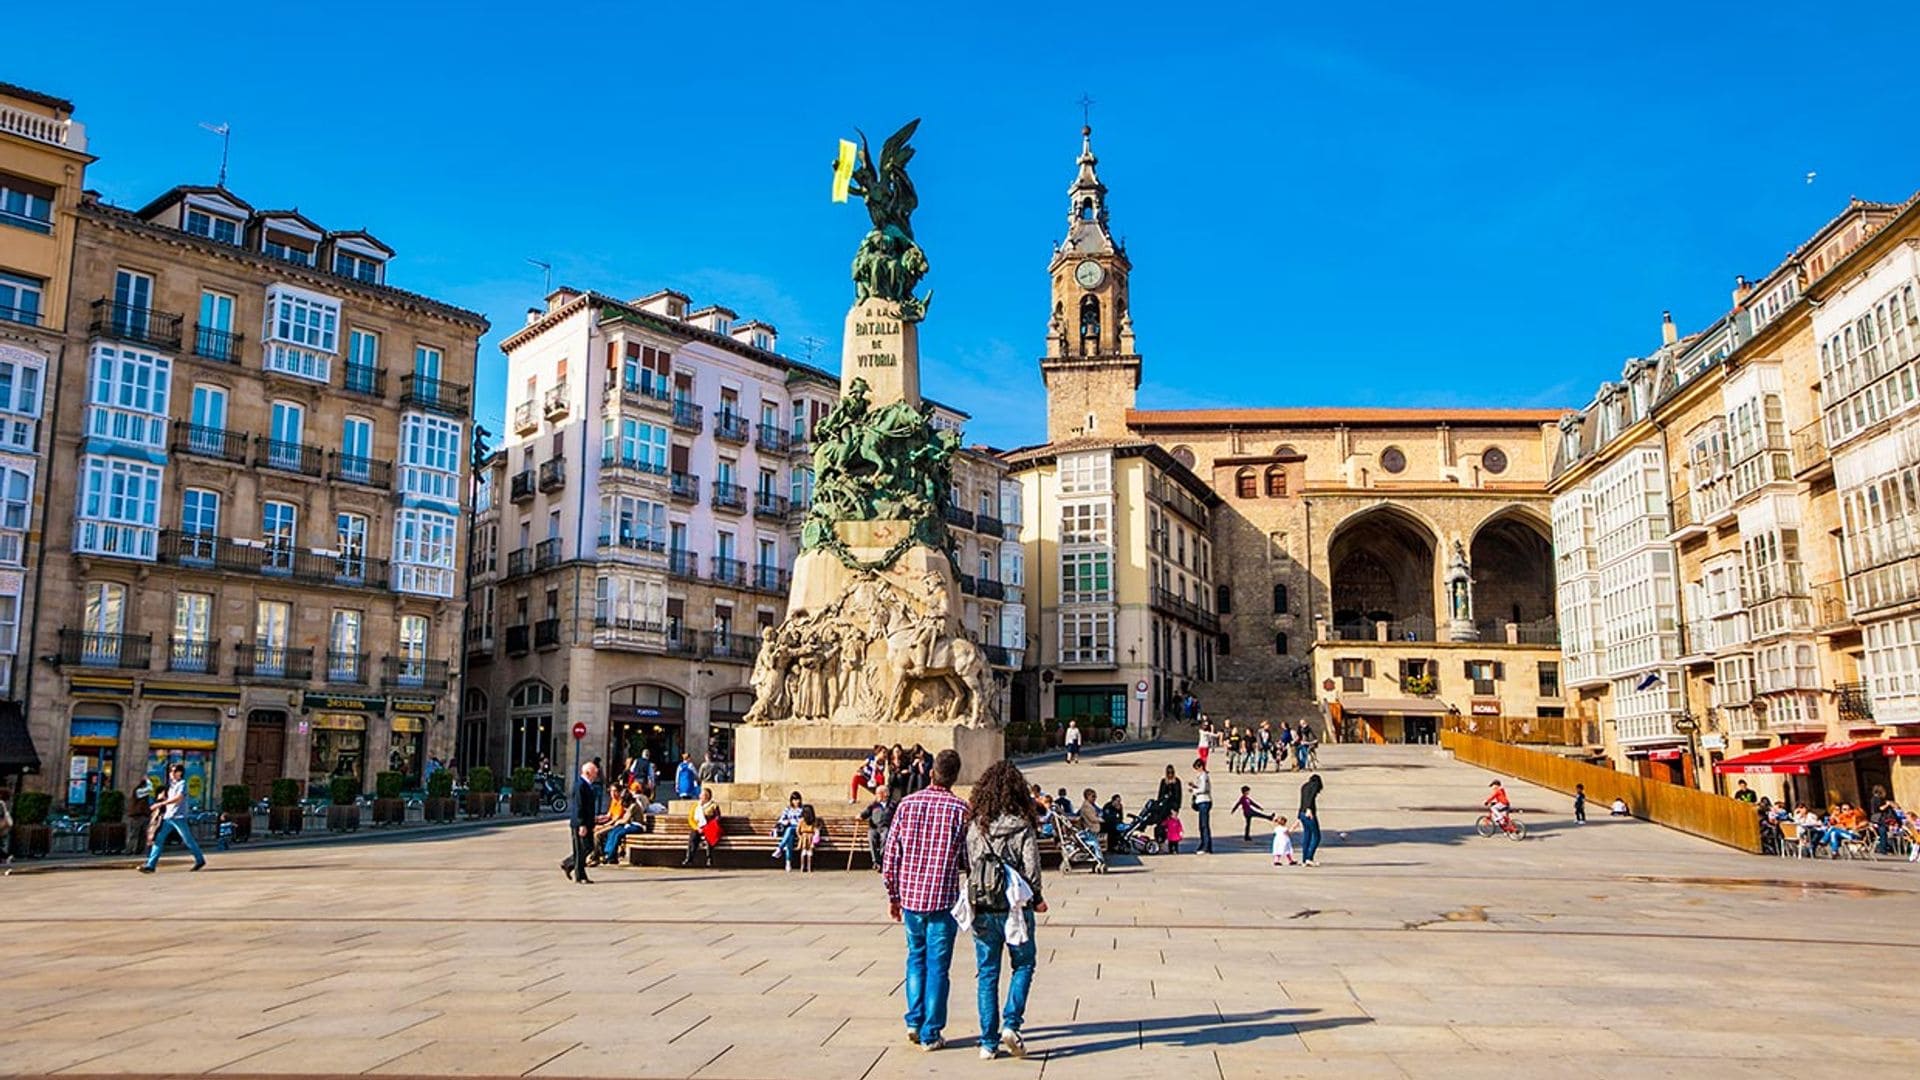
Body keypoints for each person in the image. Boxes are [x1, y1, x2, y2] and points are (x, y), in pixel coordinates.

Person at [884, 748, 969, 1052]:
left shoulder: (907, 805)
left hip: (911, 898)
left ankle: (913, 1020)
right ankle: (931, 1032)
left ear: (931, 773)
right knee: (938, 967)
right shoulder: (961, 810)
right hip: (943, 899)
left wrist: (893, 895)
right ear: (955, 777)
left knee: (915, 958)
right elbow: (967, 858)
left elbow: (891, 854)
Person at [965, 760, 1046, 1060]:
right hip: (1014, 907)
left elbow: (971, 863)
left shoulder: (976, 826)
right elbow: (1032, 868)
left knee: (987, 974)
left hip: (983, 907)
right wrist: (1036, 897)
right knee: (1023, 964)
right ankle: (1011, 1023)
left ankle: (987, 1042)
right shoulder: (1022, 825)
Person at [139, 761, 206, 874]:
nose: (172, 773)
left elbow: (178, 798)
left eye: (175, 771)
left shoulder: (182, 784)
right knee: (158, 840)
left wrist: (161, 804)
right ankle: (151, 865)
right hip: (168, 816)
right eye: (171, 771)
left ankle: (200, 860)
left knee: (188, 840)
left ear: (180, 773)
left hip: (178, 817)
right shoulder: (171, 785)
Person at [563, 760, 602, 884]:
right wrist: (581, 824)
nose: (596, 775)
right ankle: (580, 876)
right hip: (580, 823)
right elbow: (579, 806)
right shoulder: (580, 785)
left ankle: (569, 863)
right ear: (588, 773)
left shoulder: (588, 785)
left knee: (588, 847)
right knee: (581, 849)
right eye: (595, 773)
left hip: (587, 822)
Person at [682, 787, 721, 867]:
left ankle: (709, 858)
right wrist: (697, 828)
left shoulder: (713, 805)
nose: (700, 796)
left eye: (702, 795)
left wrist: (710, 825)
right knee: (693, 837)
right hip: (698, 827)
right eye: (701, 794)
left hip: (709, 827)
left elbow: (718, 817)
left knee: (709, 837)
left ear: (707, 796)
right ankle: (689, 858)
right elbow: (691, 819)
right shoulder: (696, 806)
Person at [772, 791, 806, 870]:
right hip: (789, 829)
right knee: (789, 840)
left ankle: (780, 848)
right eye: (794, 800)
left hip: (798, 829)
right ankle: (788, 862)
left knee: (790, 829)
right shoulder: (788, 809)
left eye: (797, 800)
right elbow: (781, 820)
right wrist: (786, 821)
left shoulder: (803, 809)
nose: (796, 802)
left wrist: (798, 822)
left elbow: (805, 820)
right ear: (791, 801)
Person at [860, 791, 892, 872]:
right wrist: (860, 816)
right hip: (874, 828)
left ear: (884, 794)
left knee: (885, 836)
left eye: (878, 793)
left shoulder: (892, 804)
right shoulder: (874, 805)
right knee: (871, 837)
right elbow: (865, 813)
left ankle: (881, 860)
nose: (877, 795)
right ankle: (876, 862)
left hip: (886, 827)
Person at [1188, 757, 1214, 854]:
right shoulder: (1202, 776)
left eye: (1197, 768)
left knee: (1204, 825)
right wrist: (1194, 786)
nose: (1196, 771)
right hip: (1201, 801)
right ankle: (1206, 845)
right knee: (1202, 825)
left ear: (1201, 767)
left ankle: (1205, 846)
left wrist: (1194, 790)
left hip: (1204, 801)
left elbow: (1203, 789)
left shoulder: (1203, 776)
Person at [1298, 773, 1324, 867]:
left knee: (1307, 836)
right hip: (1309, 814)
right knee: (1317, 836)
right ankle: (1309, 857)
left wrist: (1299, 815)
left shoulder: (1304, 786)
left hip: (1301, 813)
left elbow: (1302, 800)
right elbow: (1311, 797)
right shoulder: (1314, 785)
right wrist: (1309, 809)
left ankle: (1304, 859)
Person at [1154, 765, 1183, 846]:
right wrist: (1158, 805)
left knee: (1173, 827)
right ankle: (1161, 842)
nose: (1170, 774)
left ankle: (1173, 845)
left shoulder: (1177, 781)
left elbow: (1179, 796)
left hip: (1173, 807)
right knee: (1161, 825)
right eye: (1168, 773)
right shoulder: (1163, 781)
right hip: (1164, 807)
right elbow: (1160, 794)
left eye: (1171, 773)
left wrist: (1176, 809)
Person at [797, 804, 823, 873]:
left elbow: (815, 830)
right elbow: (798, 830)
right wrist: (800, 837)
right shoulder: (802, 821)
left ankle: (808, 867)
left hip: (809, 837)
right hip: (805, 837)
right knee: (806, 852)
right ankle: (804, 867)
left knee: (807, 852)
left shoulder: (812, 821)